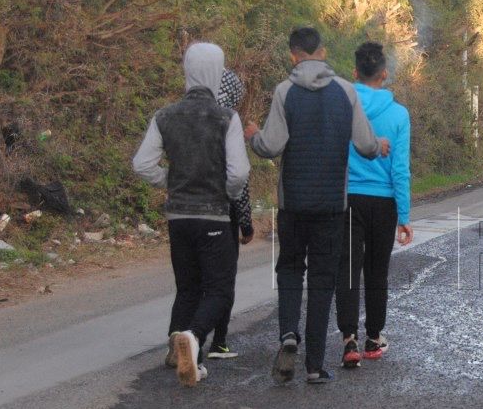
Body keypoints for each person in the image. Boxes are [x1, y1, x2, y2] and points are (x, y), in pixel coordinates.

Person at [244, 26, 388, 385]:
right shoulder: (346, 92)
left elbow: (270, 146)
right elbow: (366, 145)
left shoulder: (284, 92)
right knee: (324, 278)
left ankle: (288, 334)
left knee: (290, 268)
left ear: (294, 55)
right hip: (331, 206)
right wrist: (380, 145)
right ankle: (314, 365)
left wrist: (252, 137)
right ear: (322, 52)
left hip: (293, 204)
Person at [133, 42, 250, 387]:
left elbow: (142, 165)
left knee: (187, 286)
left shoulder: (164, 115)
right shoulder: (226, 117)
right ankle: (193, 337)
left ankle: (175, 341)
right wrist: (224, 193)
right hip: (213, 216)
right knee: (219, 290)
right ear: (217, 72)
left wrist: (170, 180)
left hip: (178, 217)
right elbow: (239, 174)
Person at [335, 42, 413, 370]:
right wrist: (404, 216)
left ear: (354, 73)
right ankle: (373, 337)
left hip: (348, 198)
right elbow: (400, 169)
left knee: (348, 269)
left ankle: (349, 338)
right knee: (377, 270)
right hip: (383, 203)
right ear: (384, 73)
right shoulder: (398, 114)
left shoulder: (342, 106)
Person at [206, 67, 254, 360]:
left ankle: (183, 334)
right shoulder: (229, 121)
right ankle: (218, 341)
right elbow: (239, 178)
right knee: (223, 279)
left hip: (189, 209)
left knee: (194, 280)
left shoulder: (189, 113)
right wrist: (246, 222)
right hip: (223, 212)